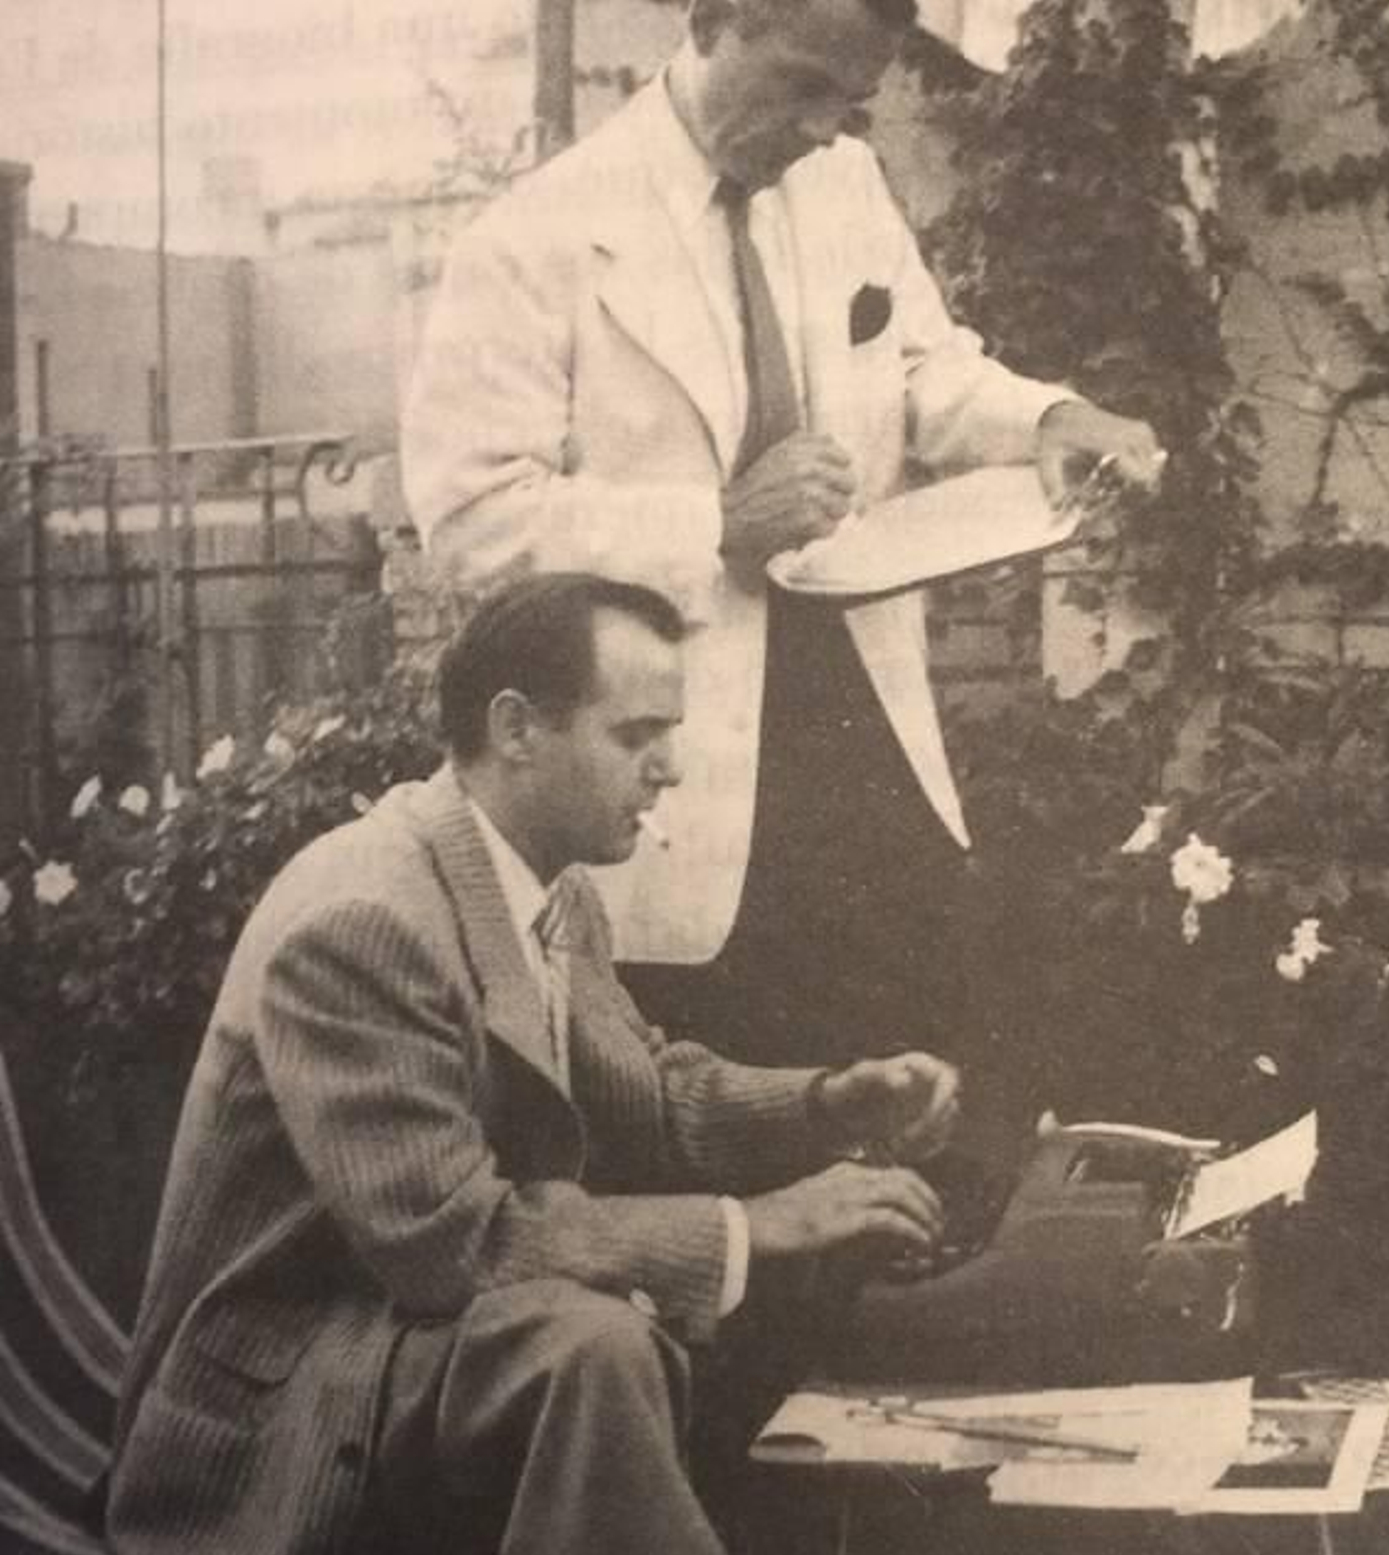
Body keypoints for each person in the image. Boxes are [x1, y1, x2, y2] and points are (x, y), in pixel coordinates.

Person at [106, 574, 960, 1555]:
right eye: (637, 732)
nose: (672, 767)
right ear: (516, 728)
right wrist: (754, 1224)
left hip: (410, 1356)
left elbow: (648, 1094)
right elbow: (452, 1246)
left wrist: (827, 1103)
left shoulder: (543, 886)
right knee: (585, 1345)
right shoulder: (363, 917)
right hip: (282, 1412)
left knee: (659, 1314)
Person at [403, 0, 1166, 1068]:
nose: (823, 128)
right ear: (717, 20)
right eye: (804, 87)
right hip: (672, 767)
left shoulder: (844, 185)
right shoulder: (535, 238)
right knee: (722, 1097)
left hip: (862, 732)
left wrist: (1048, 415)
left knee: (910, 1074)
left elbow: (920, 369)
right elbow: (472, 519)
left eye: (851, 102)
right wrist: (712, 528)